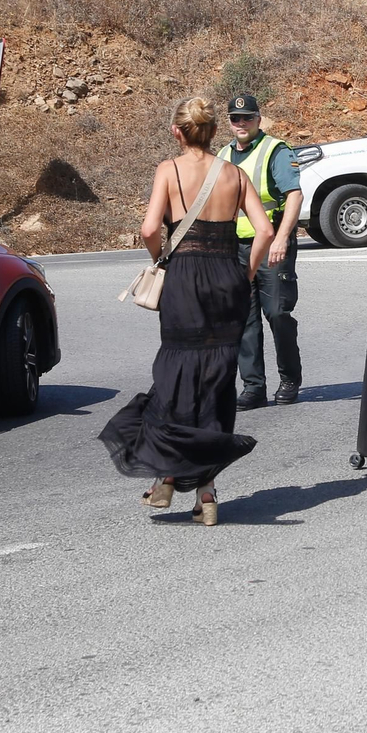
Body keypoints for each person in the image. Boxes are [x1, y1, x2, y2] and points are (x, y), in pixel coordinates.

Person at [100, 97, 275, 526]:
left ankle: (165, 476)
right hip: (227, 280)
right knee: (217, 381)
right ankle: (206, 493)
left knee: (176, 375)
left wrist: (161, 258)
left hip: (184, 279)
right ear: (213, 132)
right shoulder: (234, 174)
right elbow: (265, 230)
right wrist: (247, 274)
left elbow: (149, 228)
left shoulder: (169, 170)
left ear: (177, 132)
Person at [217, 94, 304, 409]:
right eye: (235, 118)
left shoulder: (275, 150)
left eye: (247, 117)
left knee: (278, 313)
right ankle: (254, 387)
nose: (241, 123)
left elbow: (294, 195)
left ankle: (290, 378)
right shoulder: (223, 155)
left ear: (258, 119)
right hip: (236, 247)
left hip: (270, 245)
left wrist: (282, 238)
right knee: (244, 318)